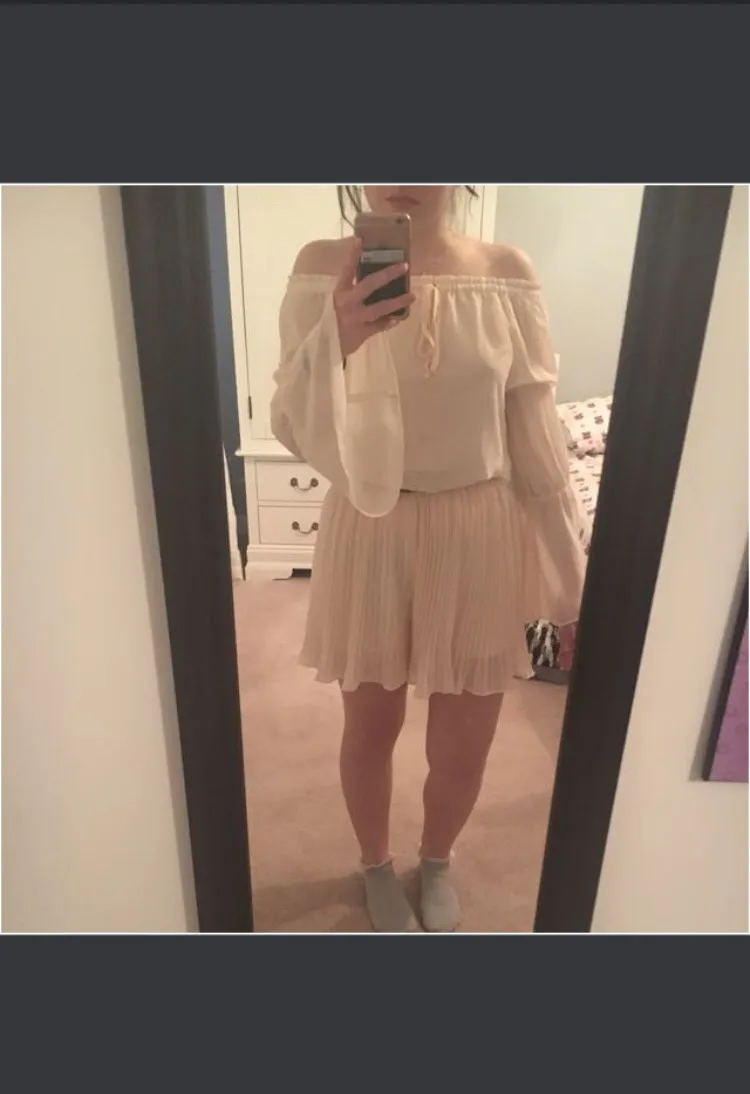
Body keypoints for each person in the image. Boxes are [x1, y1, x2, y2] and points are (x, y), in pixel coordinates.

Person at [270, 185, 587, 932]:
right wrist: (337, 338)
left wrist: (571, 591)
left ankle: (437, 860)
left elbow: (536, 440)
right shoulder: (320, 267)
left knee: (465, 745)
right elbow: (290, 420)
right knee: (369, 728)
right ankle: (375, 866)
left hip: (479, 528)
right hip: (369, 524)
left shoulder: (505, 272)